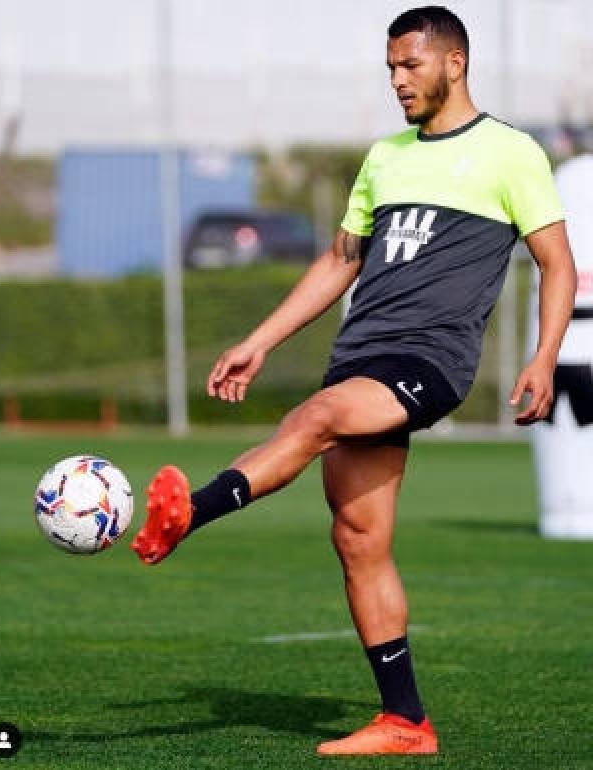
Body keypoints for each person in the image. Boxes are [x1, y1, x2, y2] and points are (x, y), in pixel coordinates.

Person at [132, 5, 576, 756]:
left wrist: (542, 357)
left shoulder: (512, 154)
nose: (398, 81)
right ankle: (406, 721)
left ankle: (191, 514)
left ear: (454, 63)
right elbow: (341, 260)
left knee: (315, 417)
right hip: (360, 352)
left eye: (411, 66)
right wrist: (260, 341)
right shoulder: (385, 157)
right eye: (391, 69)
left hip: (430, 361)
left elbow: (556, 264)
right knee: (358, 537)